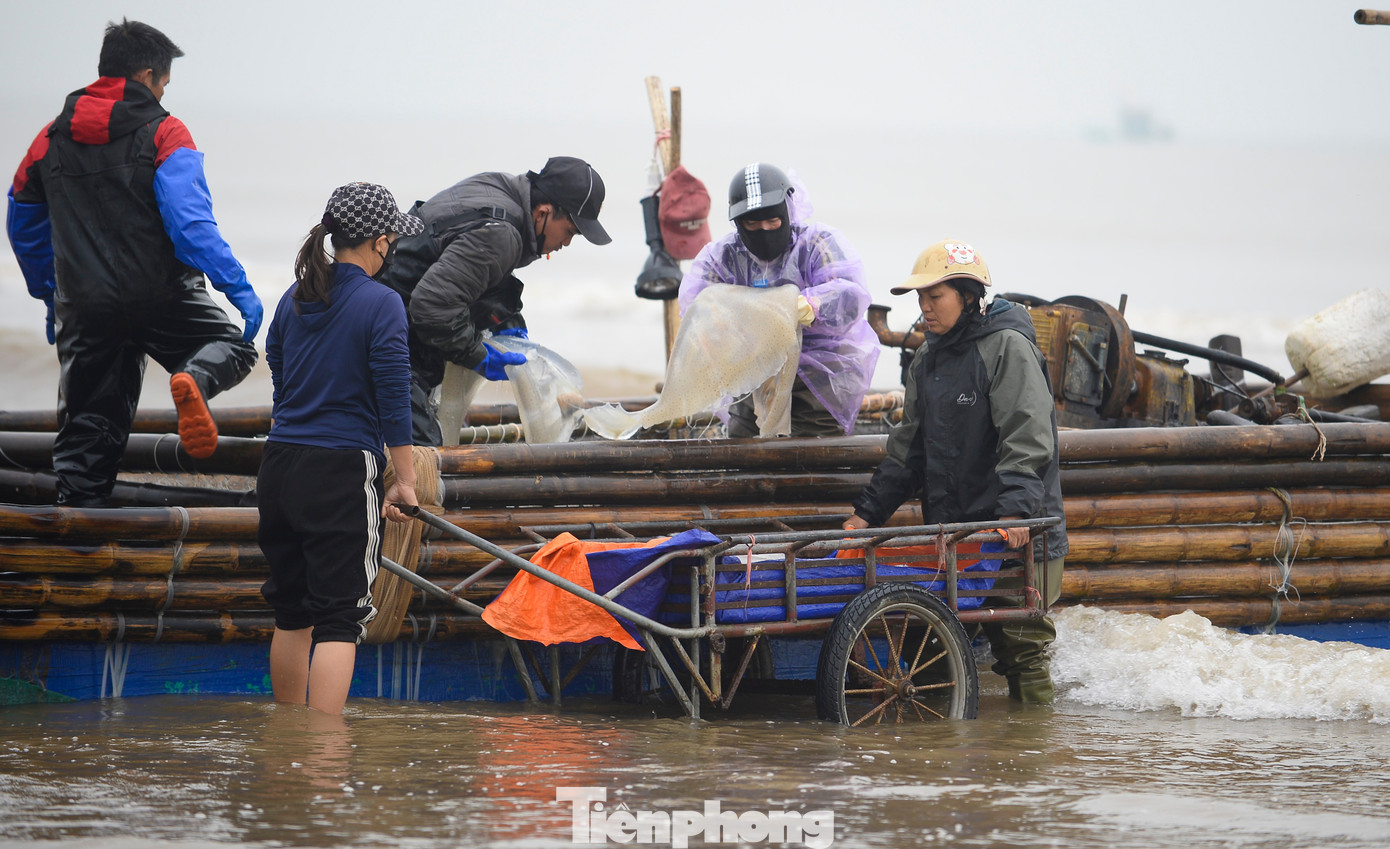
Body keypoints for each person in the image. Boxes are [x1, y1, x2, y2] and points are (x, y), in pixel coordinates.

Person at [5, 19, 261, 505]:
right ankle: (194, 378)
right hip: (161, 295)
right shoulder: (165, 131)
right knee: (233, 346)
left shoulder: (49, 139)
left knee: (87, 438)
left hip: (85, 307)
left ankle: (79, 535)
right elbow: (190, 224)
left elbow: (23, 223)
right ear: (146, 76)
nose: (163, 94)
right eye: (164, 83)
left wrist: (50, 295)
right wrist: (237, 287)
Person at [842, 239, 1068, 704]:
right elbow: (908, 451)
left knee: (1022, 650)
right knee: (931, 653)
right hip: (956, 535)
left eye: (935, 296)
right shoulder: (928, 360)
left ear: (968, 296)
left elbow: (1027, 436)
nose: (925, 308)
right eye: (920, 298)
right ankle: (946, 745)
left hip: (1014, 533)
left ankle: (1034, 740)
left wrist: (1016, 515)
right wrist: (866, 515)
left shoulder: (1007, 347)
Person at [258, 182, 423, 715]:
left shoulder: (295, 296)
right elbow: (395, 402)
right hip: (340, 472)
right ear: (380, 242)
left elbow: (279, 370)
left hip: (280, 466)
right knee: (339, 620)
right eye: (393, 239)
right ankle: (325, 749)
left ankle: (289, 734)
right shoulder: (382, 303)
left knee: (292, 613)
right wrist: (405, 482)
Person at [376, 156, 611, 445]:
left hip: (375, 309)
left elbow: (472, 271)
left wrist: (508, 321)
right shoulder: (502, 233)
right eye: (570, 231)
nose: (566, 243)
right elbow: (430, 307)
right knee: (426, 455)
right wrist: (478, 356)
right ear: (543, 213)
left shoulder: (499, 188)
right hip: (385, 341)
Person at [677, 162, 879, 437]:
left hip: (818, 374)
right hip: (750, 373)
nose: (764, 230)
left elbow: (850, 295)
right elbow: (698, 311)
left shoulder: (816, 244)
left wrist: (813, 305)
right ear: (738, 222)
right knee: (744, 445)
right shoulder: (722, 257)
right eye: (752, 223)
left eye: (773, 221)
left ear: (788, 209)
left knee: (816, 447)